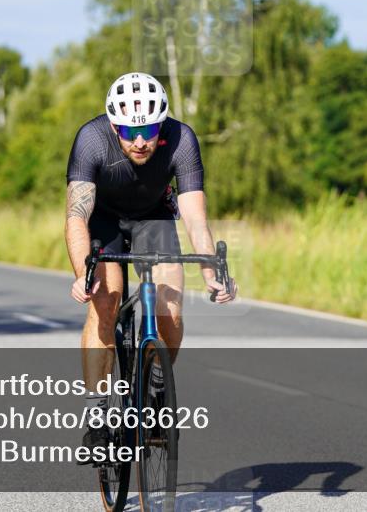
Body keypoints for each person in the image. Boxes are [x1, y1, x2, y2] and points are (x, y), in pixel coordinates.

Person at [65, 72, 238, 454]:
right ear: (114, 125)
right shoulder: (91, 139)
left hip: (155, 218)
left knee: (170, 309)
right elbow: (77, 215)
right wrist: (83, 273)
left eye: (149, 130)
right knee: (106, 302)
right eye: (129, 132)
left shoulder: (182, 139)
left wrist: (211, 272)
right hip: (104, 221)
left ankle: (157, 388)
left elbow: (194, 216)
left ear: (162, 124)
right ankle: (96, 419)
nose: (140, 141)